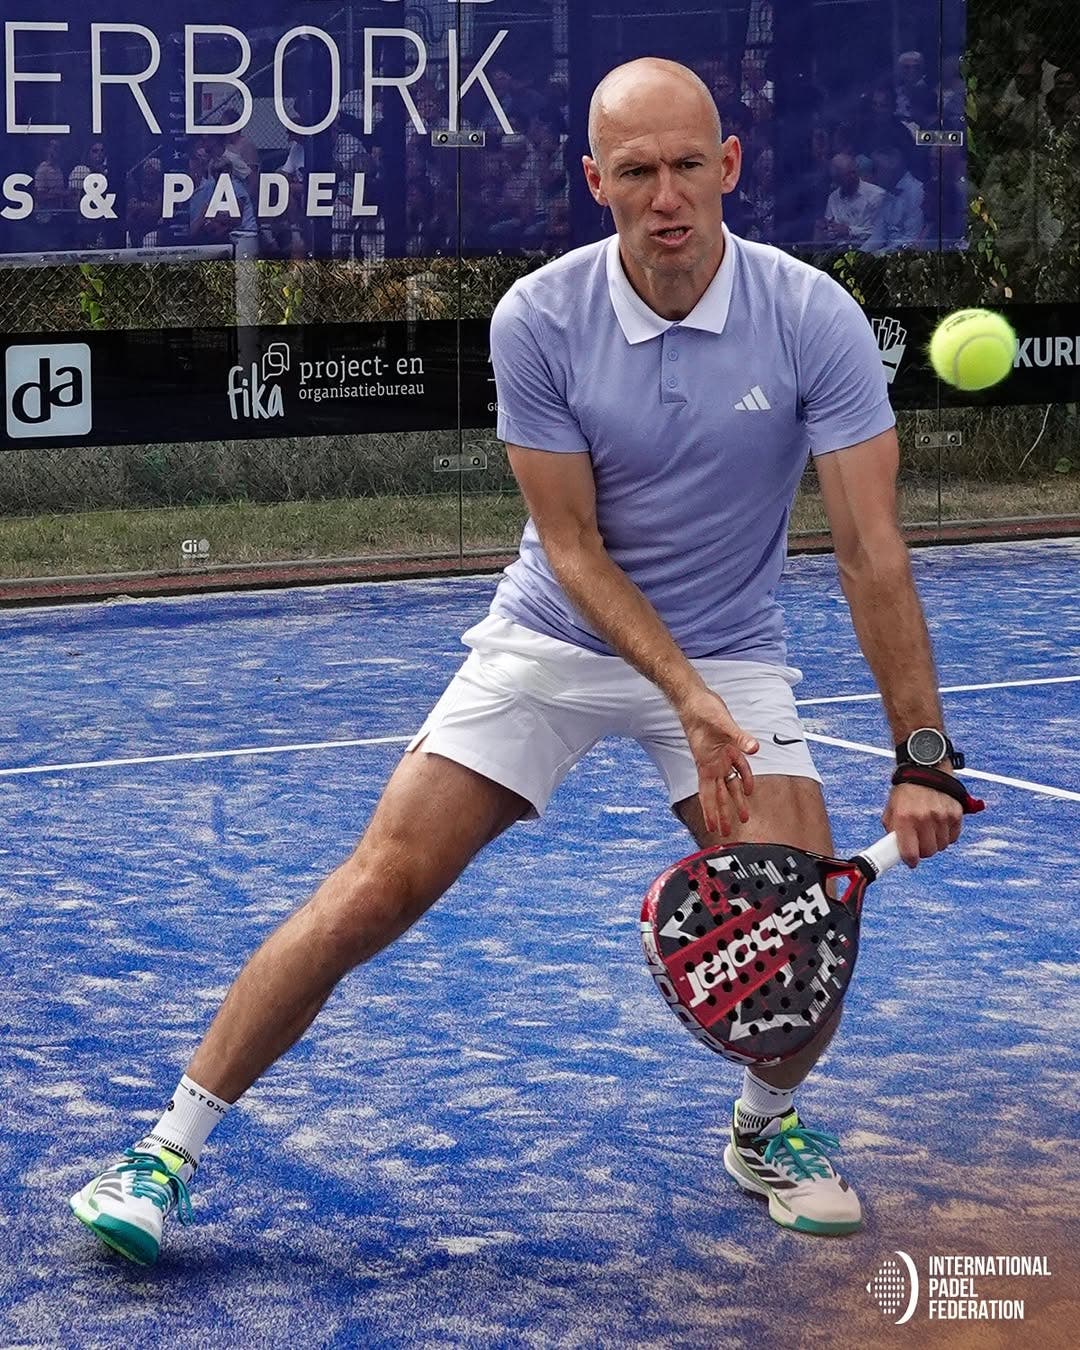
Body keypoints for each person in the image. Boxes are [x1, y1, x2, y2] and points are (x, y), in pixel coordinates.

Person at [71, 58, 970, 1264]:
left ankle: (766, 1125)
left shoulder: (810, 316)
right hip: (556, 635)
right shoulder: (540, 316)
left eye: (688, 166)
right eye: (637, 172)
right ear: (595, 180)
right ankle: (163, 1151)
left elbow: (869, 549)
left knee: (804, 921)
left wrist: (922, 754)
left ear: (731, 168)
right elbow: (573, 545)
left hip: (730, 652)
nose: (666, 198)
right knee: (378, 886)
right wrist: (684, 697)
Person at [818, 153, 886, 249]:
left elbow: (881, 234)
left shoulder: (877, 195)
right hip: (837, 253)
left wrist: (849, 231)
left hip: (869, 254)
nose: (852, 177)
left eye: (853, 172)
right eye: (846, 175)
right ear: (836, 179)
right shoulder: (833, 198)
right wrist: (825, 229)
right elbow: (830, 230)